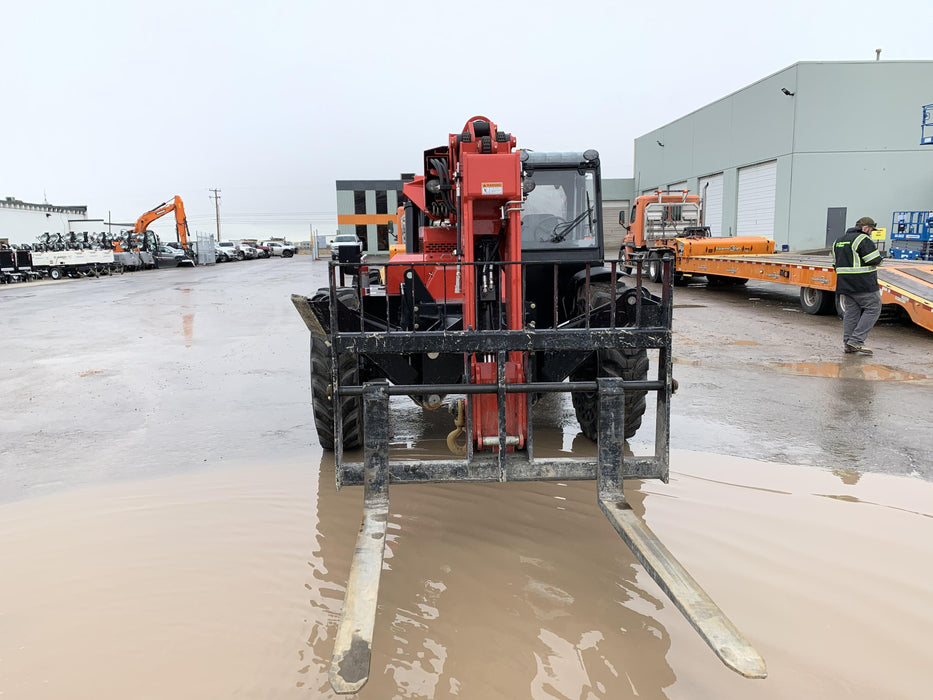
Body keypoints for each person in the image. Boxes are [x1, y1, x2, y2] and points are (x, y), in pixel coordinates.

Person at [832, 216, 883, 355]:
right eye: (871, 230)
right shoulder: (863, 239)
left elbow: (835, 263)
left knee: (851, 313)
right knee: (873, 308)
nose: (871, 233)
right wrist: (881, 259)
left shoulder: (838, 240)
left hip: (845, 284)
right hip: (863, 284)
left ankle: (848, 343)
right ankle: (856, 341)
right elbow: (873, 260)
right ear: (866, 228)